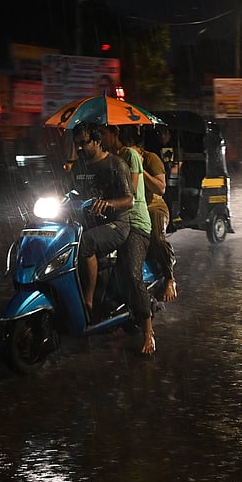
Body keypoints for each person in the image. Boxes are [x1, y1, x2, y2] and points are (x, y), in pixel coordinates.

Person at [70, 124, 135, 334]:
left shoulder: (116, 165)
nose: (79, 148)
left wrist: (108, 204)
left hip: (116, 225)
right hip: (87, 222)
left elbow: (129, 200)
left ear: (97, 141)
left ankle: (87, 302)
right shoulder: (78, 166)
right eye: (76, 143)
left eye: (83, 143)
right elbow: (68, 191)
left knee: (86, 243)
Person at [102, 124, 158, 355]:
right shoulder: (110, 158)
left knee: (133, 274)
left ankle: (148, 332)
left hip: (135, 223)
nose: (101, 139)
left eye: (103, 134)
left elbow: (131, 191)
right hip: (116, 220)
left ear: (114, 133)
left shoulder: (130, 155)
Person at [120, 125, 177, 302]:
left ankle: (170, 278)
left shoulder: (151, 159)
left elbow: (161, 188)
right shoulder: (120, 159)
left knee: (158, 239)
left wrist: (139, 170)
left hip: (154, 207)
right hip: (133, 208)